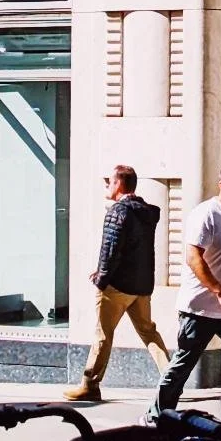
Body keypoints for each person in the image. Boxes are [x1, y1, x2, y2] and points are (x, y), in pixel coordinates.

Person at [155, 163, 221, 417]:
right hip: (200, 308)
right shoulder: (206, 215)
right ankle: (157, 415)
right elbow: (193, 258)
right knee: (183, 365)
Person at [67, 166, 171, 404]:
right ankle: (170, 378)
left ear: (119, 185)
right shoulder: (146, 212)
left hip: (117, 286)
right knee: (148, 332)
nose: (106, 186)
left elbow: (110, 249)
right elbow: (136, 250)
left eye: (109, 182)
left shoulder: (118, 211)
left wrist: (101, 279)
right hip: (141, 285)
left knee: (103, 334)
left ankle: (90, 384)